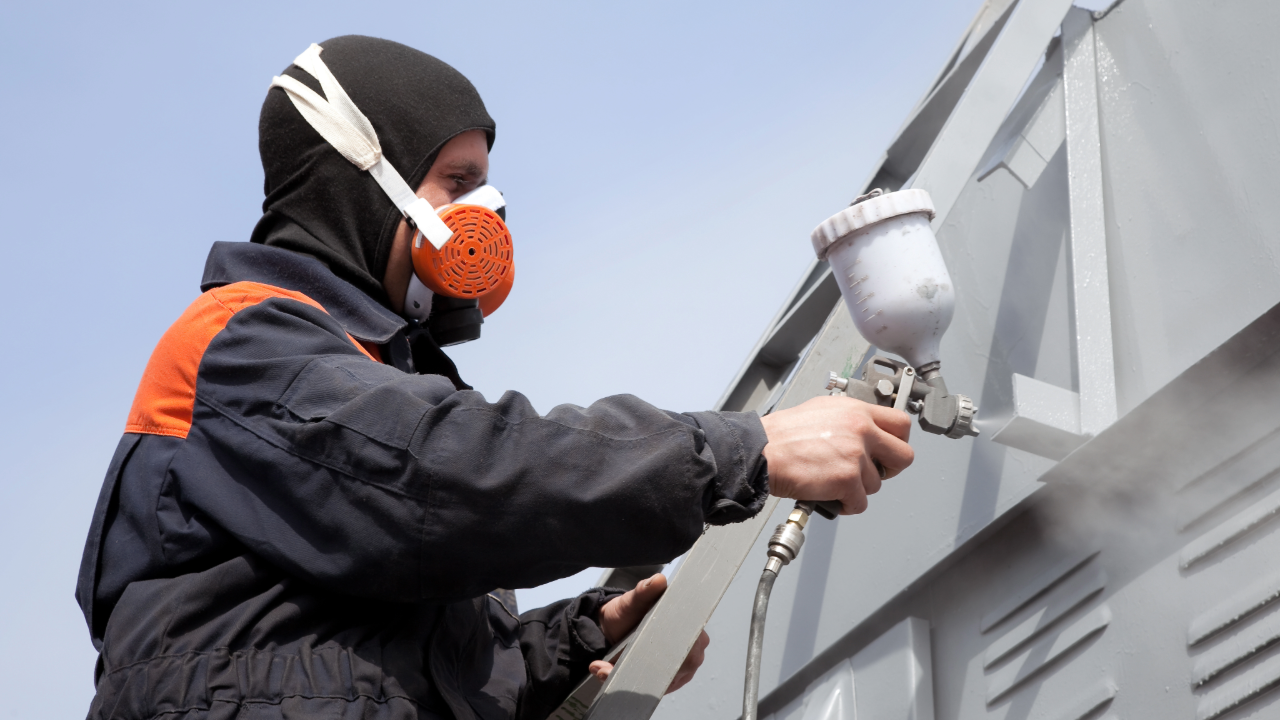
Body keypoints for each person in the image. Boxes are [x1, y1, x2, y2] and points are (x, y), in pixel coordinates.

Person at [76, 35, 914, 720]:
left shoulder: (376, 380)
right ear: (363, 186)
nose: (485, 213)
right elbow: (450, 478)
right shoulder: (240, 343)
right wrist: (745, 448)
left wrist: (573, 642)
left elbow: (380, 665)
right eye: (458, 183)